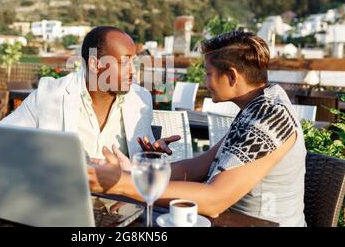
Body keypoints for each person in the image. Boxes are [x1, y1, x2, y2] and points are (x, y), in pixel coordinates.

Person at [88, 31, 307, 227]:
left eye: (208, 73)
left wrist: (121, 184)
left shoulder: (269, 116)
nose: (205, 81)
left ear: (231, 76)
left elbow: (214, 200)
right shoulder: (256, 107)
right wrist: (132, 174)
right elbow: (197, 167)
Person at [0, 26, 180, 159]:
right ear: (95, 64)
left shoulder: (140, 99)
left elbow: (139, 160)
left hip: (120, 205)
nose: (133, 70)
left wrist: (149, 155)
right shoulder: (48, 95)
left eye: (134, 61)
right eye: (124, 62)